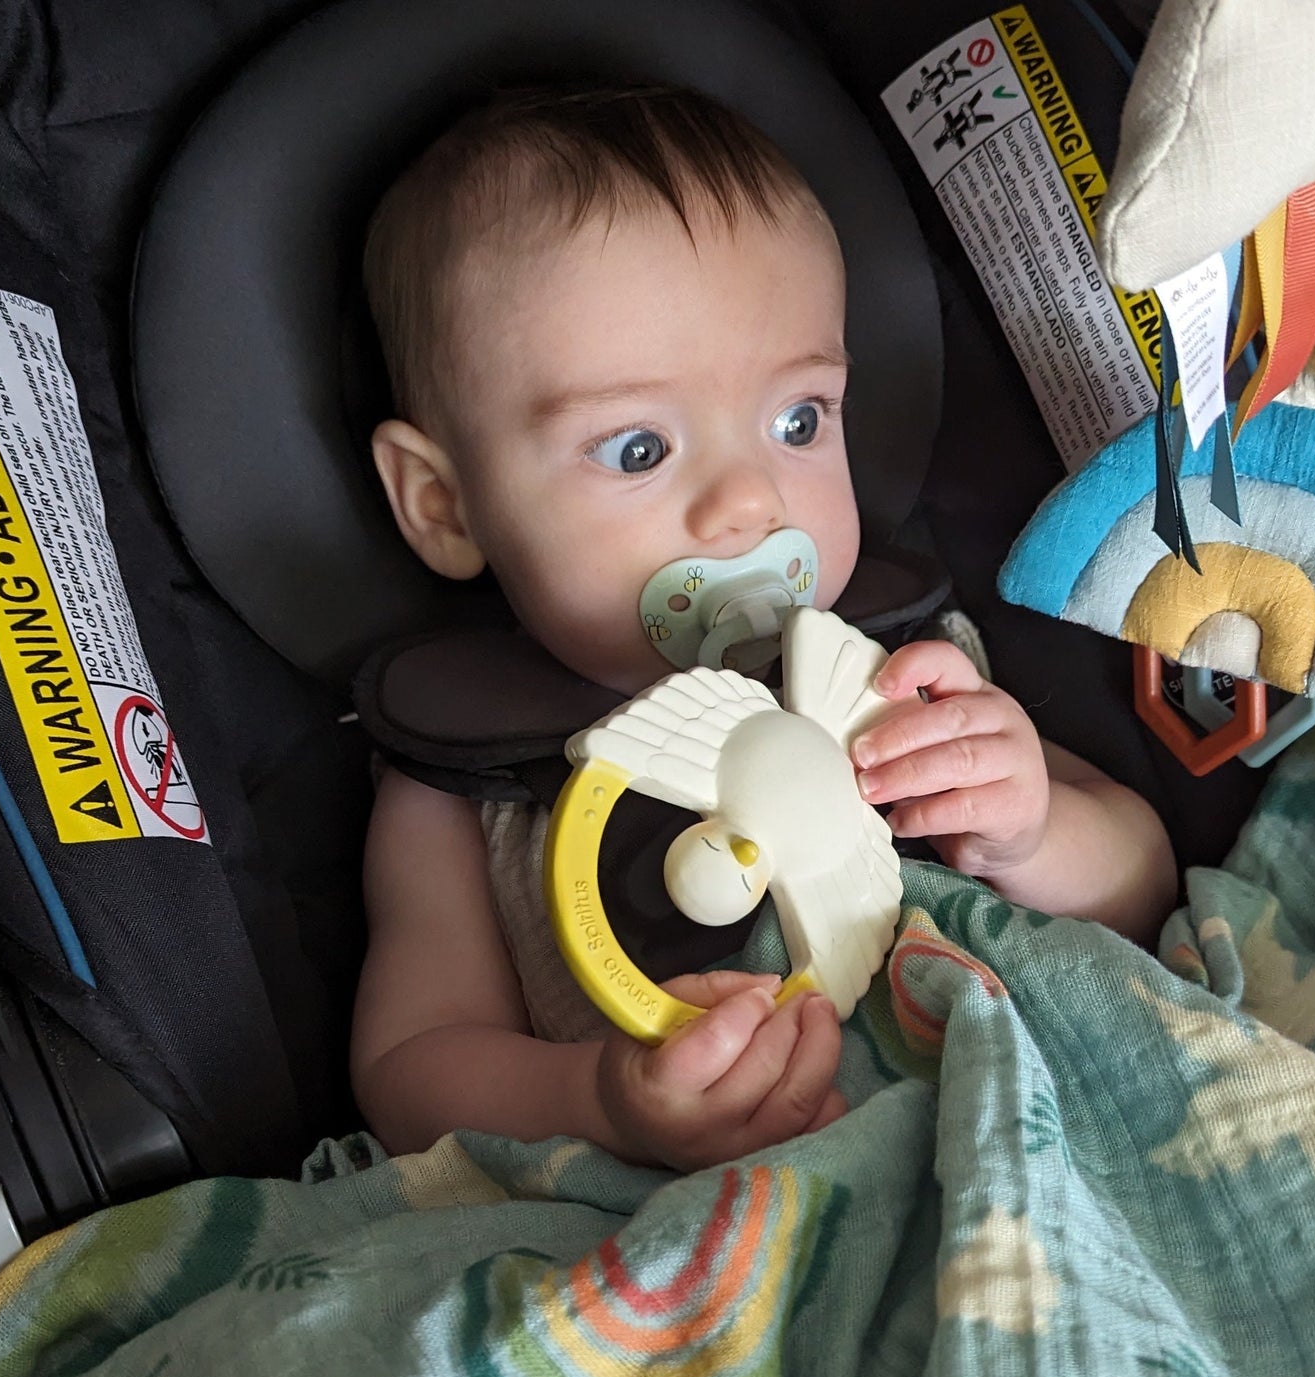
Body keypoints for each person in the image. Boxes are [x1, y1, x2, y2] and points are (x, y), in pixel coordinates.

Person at [351, 83, 1177, 1172]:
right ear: (445, 505)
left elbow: (1144, 886)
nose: (750, 501)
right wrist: (599, 1098)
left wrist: (1030, 832)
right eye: (636, 449)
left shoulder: (897, 672)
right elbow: (410, 1068)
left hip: (1038, 1122)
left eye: (798, 420)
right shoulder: (464, 783)